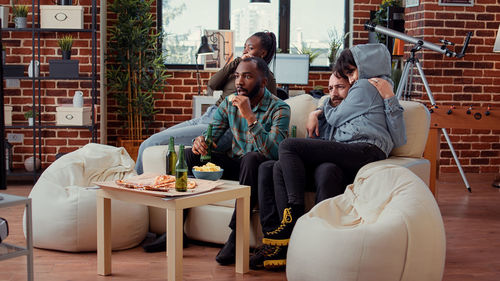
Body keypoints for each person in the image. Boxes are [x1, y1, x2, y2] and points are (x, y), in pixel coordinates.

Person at [250, 43, 406, 270]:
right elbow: (324, 144)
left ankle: (294, 215)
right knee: (276, 167)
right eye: (330, 88)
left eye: (343, 83)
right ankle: (280, 243)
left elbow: (338, 118)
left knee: (289, 147)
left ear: (364, 68)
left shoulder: (363, 87)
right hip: (343, 154)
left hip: (363, 150)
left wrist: (319, 109)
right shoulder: (363, 94)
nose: (336, 92)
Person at [185, 56, 291, 265]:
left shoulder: (280, 108)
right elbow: (211, 136)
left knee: (251, 159)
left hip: (259, 168)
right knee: (190, 155)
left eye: (247, 76)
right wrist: (201, 142)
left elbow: (276, 152)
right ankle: (176, 228)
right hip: (237, 165)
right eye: (237, 76)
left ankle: (235, 236)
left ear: (263, 81)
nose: (239, 82)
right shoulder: (228, 102)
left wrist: (250, 117)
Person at [135, 31, 278, 174]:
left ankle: (137, 187)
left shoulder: (266, 79)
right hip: (210, 114)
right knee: (152, 140)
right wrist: (236, 62)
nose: (245, 51)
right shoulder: (238, 69)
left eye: (250, 48)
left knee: (150, 144)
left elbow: (265, 113)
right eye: (244, 47)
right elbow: (212, 84)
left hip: (225, 125)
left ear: (263, 53)